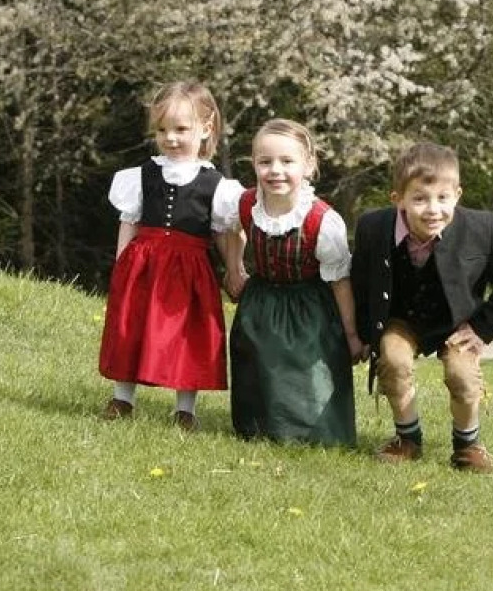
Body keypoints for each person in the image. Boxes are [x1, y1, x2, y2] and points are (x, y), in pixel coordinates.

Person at [351, 142, 493, 473]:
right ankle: (407, 439)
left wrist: (482, 328)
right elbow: (361, 283)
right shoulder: (372, 228)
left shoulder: (483, 228)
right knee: (393, 360)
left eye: (443, 198)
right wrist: (364, 335)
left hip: (457, 322)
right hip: (401, 319)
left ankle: (467, 445)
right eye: (420, 199)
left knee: (462, 375)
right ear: (398, 199)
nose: (433, 209)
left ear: (457, 195)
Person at [98, 80, 243, 430]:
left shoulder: (217, 186)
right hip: (143, 265)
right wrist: (121, 265)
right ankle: (122, 398)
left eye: (181, 129)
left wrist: (234, 269)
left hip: (190, 269)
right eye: (162, 130)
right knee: (131, 326)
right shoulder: (141, 175)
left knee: (188, 334)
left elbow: (226, 232)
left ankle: (185, 409)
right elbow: (129, 221)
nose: (171, 138)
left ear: (206, 128)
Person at [222, 119, 365, 446]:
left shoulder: (321, 220)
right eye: (265, 161)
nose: (276, 170)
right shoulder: (246, 203)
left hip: (308, 307)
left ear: (308, 165)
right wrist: (234, 269)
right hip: (261, 300)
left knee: (307, 369)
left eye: (287, 161)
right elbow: (233, 230)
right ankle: (258, 426)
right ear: (254, 163)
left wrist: (351, 334)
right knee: (259, 363)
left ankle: (313, 432)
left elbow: (340, 281)